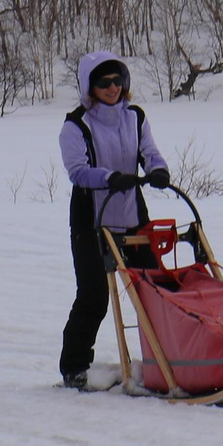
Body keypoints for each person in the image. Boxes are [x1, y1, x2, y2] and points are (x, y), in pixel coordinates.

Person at [57, 50, 171, 389]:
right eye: (103, 82)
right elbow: (78, 172)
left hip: (132, 212)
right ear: (90, 87)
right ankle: (75, 368)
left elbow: (148, 151)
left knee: (154, 288)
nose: (112, 87)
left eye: (117, 80)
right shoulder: (76, 124)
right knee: (94, 296)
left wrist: (158, 169)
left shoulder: (134, 117)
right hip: (92, 217)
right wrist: (110, 177)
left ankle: (167, 358)